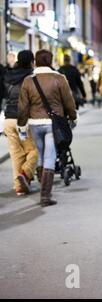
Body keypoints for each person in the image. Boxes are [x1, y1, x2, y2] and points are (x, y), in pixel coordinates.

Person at [17, 49, 77, 207]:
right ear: (50, 62)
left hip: (34, 124)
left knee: (41, 155)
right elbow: (68, 101)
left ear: (35, 62)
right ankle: (45, 196)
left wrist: (22, 126)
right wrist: (73, 116)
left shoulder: (28, 80)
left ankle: (42, 186)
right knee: (50, 156)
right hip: (52, 123)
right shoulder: (59, 78)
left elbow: (23, 107)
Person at [2, 50, 38, 196]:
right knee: (34, 151)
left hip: (8, 119)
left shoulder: (7, 75)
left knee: (16, 154)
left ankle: (19, 187)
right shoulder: (31, 76)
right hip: (24, 119)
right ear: (31, 61)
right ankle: (25, 174)